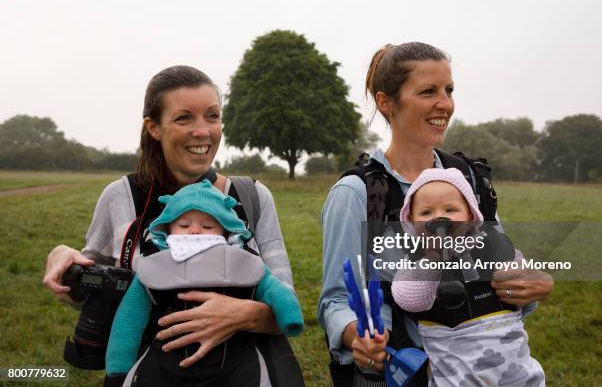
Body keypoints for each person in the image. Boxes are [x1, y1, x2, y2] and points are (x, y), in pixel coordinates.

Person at [43, 65, 303, 386]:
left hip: (246, 371)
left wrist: (243, 315)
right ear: (153, 127)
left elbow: (285, 300)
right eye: (184, 118)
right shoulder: (121, 197)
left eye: (212, 116)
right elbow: (95, 293)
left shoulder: (252, 196)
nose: (203, 131)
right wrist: (63, 257)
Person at [317, 42, 554, 386]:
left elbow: (501, 273)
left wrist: (533, 285)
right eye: (428, 91)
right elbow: (336, 299)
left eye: (449, 90)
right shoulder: (356, 193)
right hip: (405, 374)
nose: (444, 103)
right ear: (386, 102)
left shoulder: (468, 179)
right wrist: (358, 337)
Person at [105, 180, 304, 386]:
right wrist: (118, 367)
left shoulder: (242, 262)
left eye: (207, 226)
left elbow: (273, 289)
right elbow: (129, 319)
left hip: (235, 365)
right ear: (167, 229)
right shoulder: (153, 267)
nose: (194, 231)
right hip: (165, 365)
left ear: (227, 232)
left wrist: (289, 315)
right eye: (184, 225)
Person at [391, 168, 545, 386]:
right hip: (455, 377)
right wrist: (432, 262)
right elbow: (410, 300)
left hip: (517, 374)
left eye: (450, 209)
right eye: (426, 213)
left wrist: (522, 277)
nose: (439, 217)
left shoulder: (494, 245)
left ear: (471, 214)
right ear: (411, 222)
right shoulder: (415, 260)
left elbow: (528, 287)